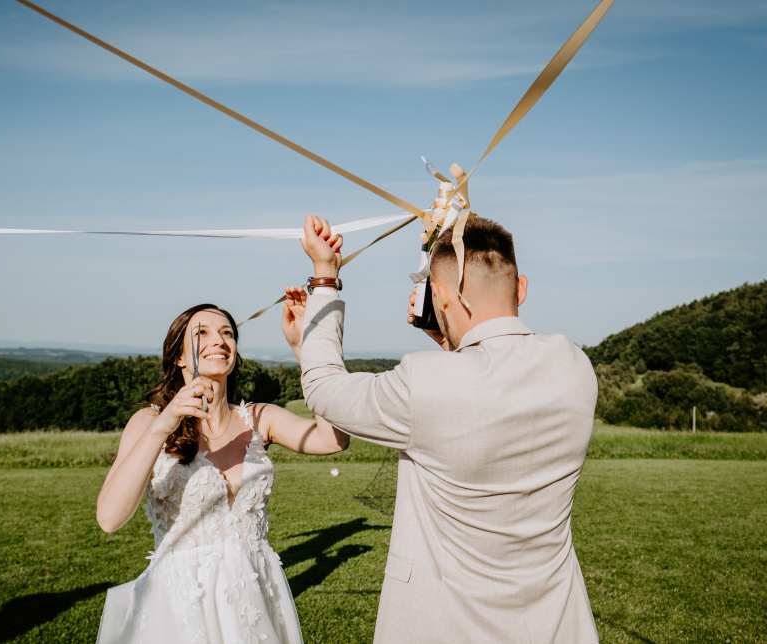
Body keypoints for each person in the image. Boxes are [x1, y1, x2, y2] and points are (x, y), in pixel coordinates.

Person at [281, 214, 599, 643]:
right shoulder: (574, 365)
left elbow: (323, 387)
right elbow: (493, 381)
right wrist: (449, 336)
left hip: (445, 626)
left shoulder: (425, 383)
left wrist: (325, 277)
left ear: (441, 298)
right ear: (520, 288)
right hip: (555, 624)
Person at [95, 303, 349, 644]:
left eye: (227, 332)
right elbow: (109, 518)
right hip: (180, 606)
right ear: (179, 357)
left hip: (255, 598)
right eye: (202, 333)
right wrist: (163, 426)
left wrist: (306, 349)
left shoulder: (258, 418)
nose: (219, 340)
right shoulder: (149, 422)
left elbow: (334, 439)